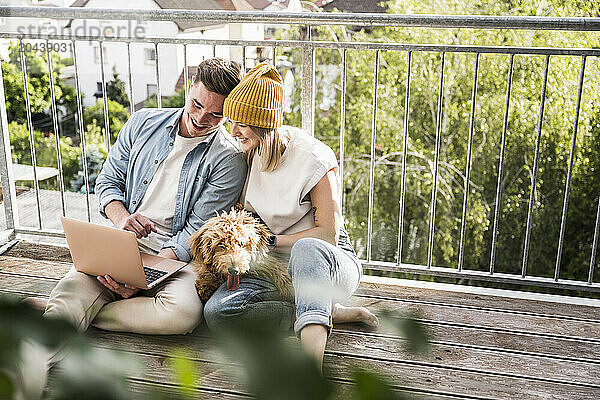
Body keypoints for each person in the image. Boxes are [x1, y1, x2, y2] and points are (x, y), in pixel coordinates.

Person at [17, 58, 247, 399]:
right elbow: (107, 183)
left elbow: (197, 232)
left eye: (215, 115)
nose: (201, 119)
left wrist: (144, 279)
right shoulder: (142, 123)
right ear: (189, 86)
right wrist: (122, 218)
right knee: (57, 320)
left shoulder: (229, 157)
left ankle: (84, 312)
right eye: (197, 105)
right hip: (122, 241)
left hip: (177, 257)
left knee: (183, 315)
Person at [203, 62, 378, 368]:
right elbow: (245, 215)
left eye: (241, 123)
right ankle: (323, 312)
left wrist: (268, 241)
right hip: (275, 265)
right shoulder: (248, 154)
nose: (233, 131)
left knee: (308, 249)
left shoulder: (314, 158)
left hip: (326, 262)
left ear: (263, 123)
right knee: (217, 312)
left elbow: (327, 235)